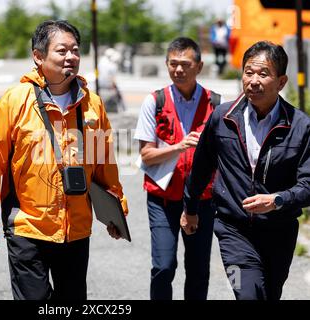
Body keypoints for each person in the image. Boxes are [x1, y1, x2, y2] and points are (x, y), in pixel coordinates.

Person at [0, 20, 128, 300]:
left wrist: (117, 212)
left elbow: (105, 162)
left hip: (76, 229)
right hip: (27, 226)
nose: (70, 57)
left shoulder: (92, 104)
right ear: (38, 56)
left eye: (75, 50)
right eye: (61, 51)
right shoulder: (15, 100)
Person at [182, 41, 310, 300]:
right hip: (233, 230)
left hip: (279, 232)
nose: (253, 80)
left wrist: (276, 200)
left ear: (282, 81)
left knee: (269, 294)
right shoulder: (222, 117)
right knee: (247, 293)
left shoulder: (300, 126)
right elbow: (202, 166)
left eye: (263, 74)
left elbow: (308, 184)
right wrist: (190, 208)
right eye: (248, 72)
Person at [133, 37, 220, 300]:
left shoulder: (216, 104)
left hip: (203, 199)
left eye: (185, 64)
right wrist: (179, 147)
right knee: (163, 266)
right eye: (173, 64)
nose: (178, 70)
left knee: (198, 270)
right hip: (163, 199)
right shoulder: (155, 101)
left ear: (199, 66)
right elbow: (146, 156)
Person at [98, 47, 126, 112]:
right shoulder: (112, 65)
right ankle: (123, 108)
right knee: (118, 94)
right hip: (108, 84)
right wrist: (114, 86)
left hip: (100, 83)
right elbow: (112, 78)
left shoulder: (101, 61)